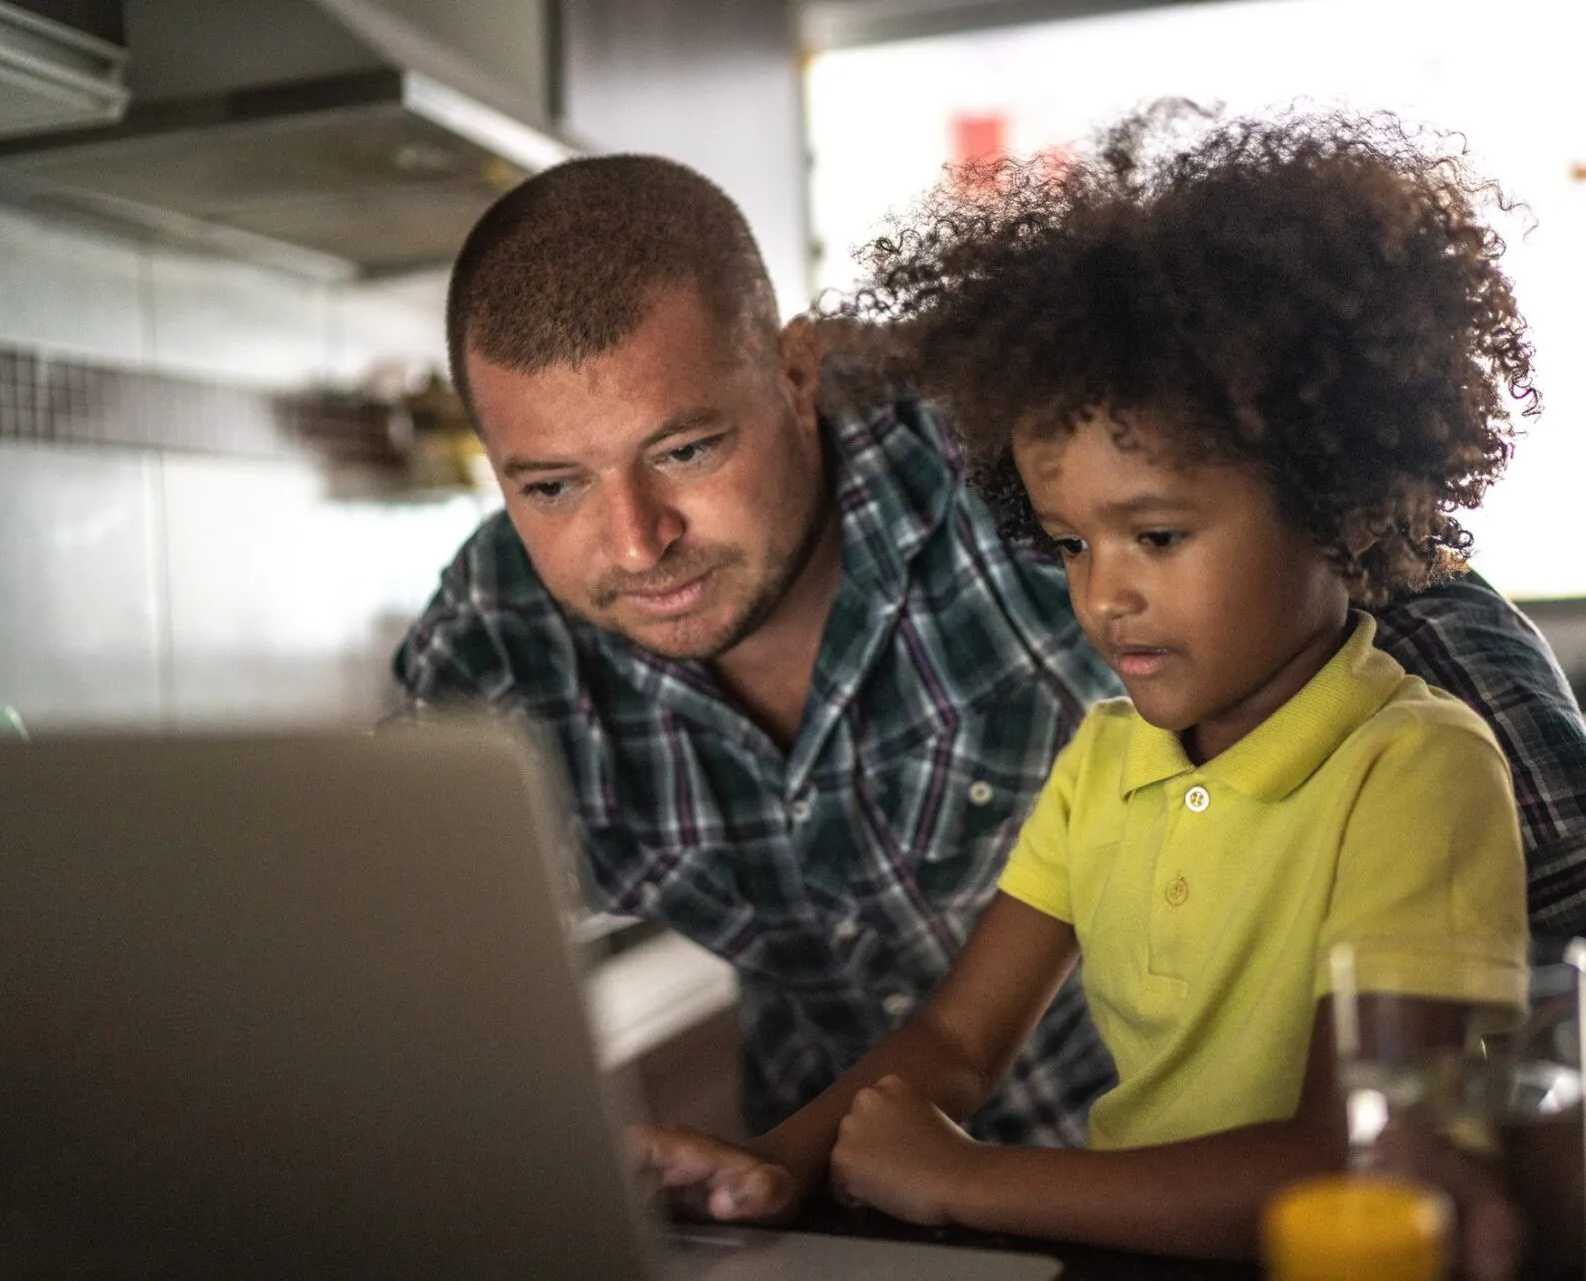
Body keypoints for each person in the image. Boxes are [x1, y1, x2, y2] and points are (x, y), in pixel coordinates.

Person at [394, 133, 1586, 1277]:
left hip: (1147, 1210)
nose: (634, 541)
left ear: (799, 373)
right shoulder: (491, 644)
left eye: (688, 448)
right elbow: (385, 997)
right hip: (872, 1219)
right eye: (551, 485)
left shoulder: (1013, 422)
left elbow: (1420, 600)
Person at [641, 104, 1537, 1264]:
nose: (1102, 595)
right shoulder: (1106, 760)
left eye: (1157, 537)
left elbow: (1356, 1157)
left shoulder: (1412, 771)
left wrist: (970, 1181)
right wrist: (777, 1161)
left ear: (1338, 498)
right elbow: (958, 1043)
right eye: (1069, 544)